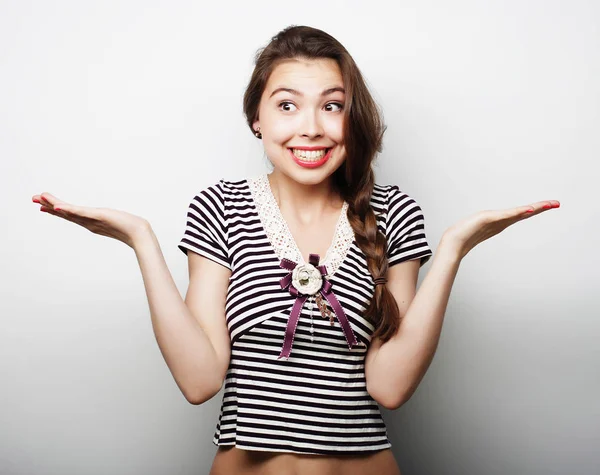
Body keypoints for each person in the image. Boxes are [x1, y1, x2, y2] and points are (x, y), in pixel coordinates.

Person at [32, 25, 559, 475]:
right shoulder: (222, 207)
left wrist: (451, 252)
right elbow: (199, 380)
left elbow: (390, 387)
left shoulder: (394, 211)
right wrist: (141, 241)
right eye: (287, 105)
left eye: (332, 106)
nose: (311, 127)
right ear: (256, 118)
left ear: (353, 120)